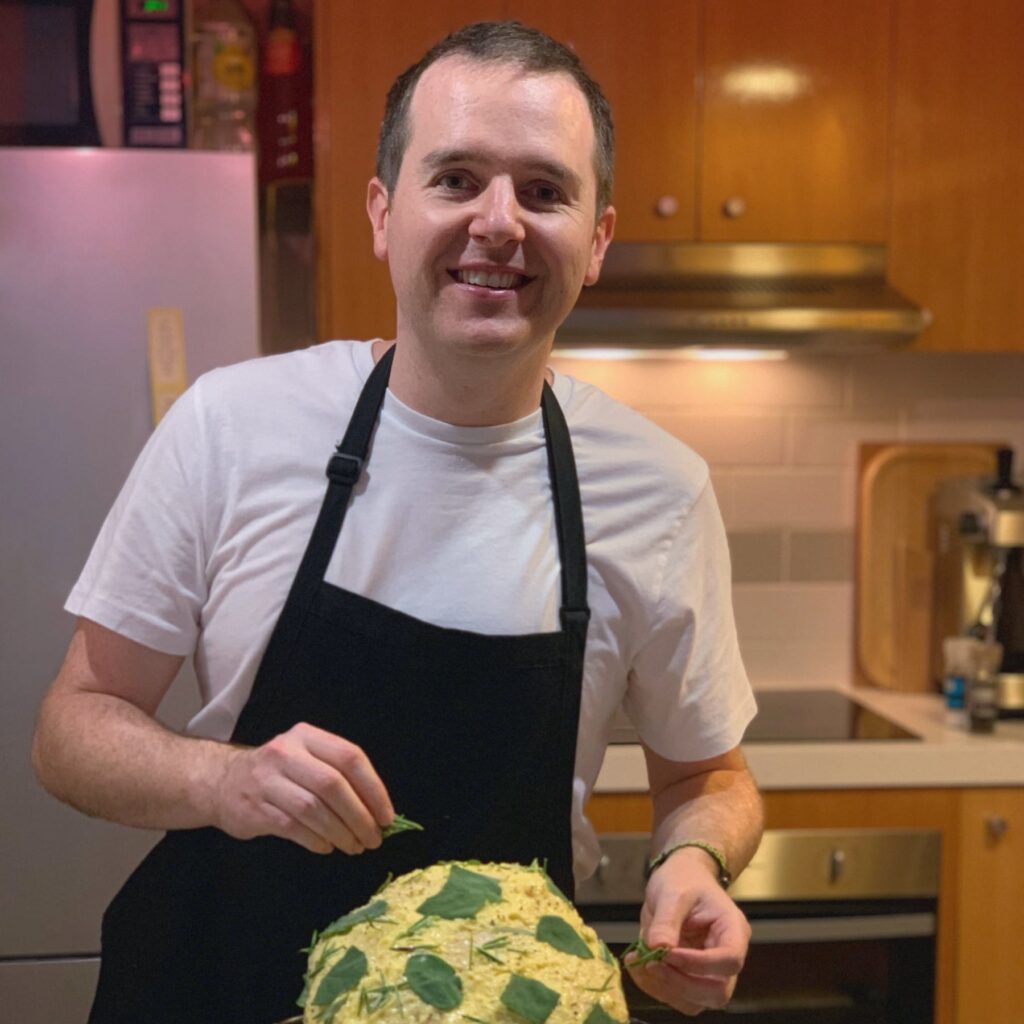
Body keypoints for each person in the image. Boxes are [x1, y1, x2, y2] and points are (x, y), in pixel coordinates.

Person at [32, 20, 763, 1024]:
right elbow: (71, 725)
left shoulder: (660, 490)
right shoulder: (230, 427)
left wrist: (692, 858)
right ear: (383, 212)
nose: (498, 222)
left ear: (595, 242)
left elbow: (709, 774)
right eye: (455, 179)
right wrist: (221, 779)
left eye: (544, 190)